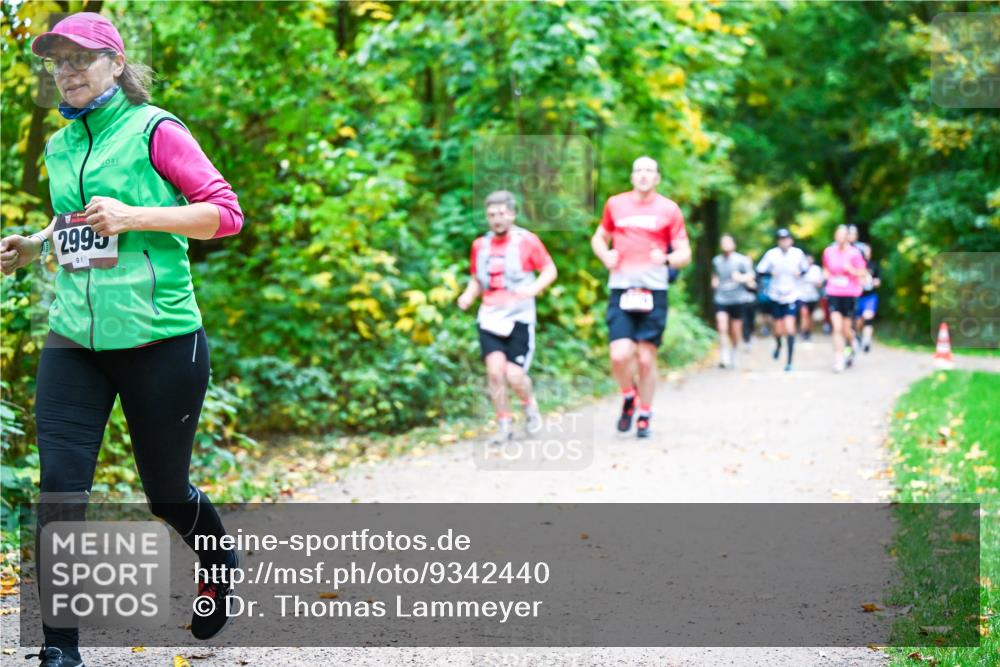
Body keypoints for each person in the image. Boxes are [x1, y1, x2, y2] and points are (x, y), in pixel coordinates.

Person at [0, 13, 244, 666]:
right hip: (75, 341)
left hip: (160, 341)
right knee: (60, 489)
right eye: (57, 60)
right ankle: (60, 649)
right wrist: (36, 244)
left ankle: (219, 562)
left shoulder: (155, 129)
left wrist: (136, 216)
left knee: (165, 492)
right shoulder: (60, 144)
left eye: (82, 58)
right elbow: (76, 214)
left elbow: (225, 213)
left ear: (116, 63)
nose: (68, 70)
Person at [590, 156, 691, 438]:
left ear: (657, 177)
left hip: (653, 290)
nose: (644, 175)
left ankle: (645, 412)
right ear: (632, 176)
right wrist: (605, 254)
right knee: (619, 354)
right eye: (638, 170)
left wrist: (667, 258)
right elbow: (599, 237)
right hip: (622, 288)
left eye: (649, 171)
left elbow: (685, 253)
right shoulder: (615, 204)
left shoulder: (669, 209)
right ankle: (628, 395)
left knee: (646, 358)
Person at [457, 190, 557, 445]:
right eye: (491, 214)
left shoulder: (527, 241)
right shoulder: (480, 245)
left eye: (501, 213)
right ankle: (504, 424)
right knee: (494, 372)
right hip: (490, 316)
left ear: (512, 214)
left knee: (514, 374)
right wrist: (468, 296)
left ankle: (529, 406)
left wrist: (534, 289)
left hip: (518, 317)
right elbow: (477, 279)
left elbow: (549, 269)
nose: (496, 219)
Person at [755, 229, 807, 372]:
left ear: (791, 240)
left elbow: (805, 269)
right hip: (775, 295)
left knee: (790, 328)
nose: (784, 241)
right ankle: (778, 344)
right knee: (778, 329)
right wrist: (770, 273)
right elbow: (759, 271)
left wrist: (800, 273)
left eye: (786, 238)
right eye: (781, 239)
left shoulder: (797, 253)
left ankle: (789, 362)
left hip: (791, 294)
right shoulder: (771, 254)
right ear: (778, 241)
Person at [822, 224, 867, 372]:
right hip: (833, 292)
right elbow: (826, 268)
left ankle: (852, 342)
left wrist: (851, 270)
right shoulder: (828, 251)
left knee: (846, 329)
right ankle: (839, 359)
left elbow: (863, 273)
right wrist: (825, 275)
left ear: (848, 236)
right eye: (838, 234)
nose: (840, 237)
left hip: (849, 293)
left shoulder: (855, 253)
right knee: (837, 327)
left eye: (843, 234)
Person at [711, 234, 755, 368]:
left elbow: (751, 275)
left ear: (734, 245)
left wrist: (740, 278)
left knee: (735, 331)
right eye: (723, 242)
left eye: (728, 242)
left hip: (737, 299)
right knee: (722, 327)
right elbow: (714, 275)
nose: (725, 245)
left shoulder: (741, 260)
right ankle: (724, 355)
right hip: (721, 298)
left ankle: (734, 352)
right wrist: (714, 281)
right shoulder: (716, 261)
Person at [854, 244, 880, 352]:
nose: (867, 253)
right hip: (857, 297)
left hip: (870, 297)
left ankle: (866, 341)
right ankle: (857, 337)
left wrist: (874, 282)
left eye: (868, 251)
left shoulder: (874, 265)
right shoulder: (856, 265)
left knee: (868, 316)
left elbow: (878, 281)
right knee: (858, 321)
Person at [796, 253, 824, 340]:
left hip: (813, 297)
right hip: (802, 296)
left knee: (810, 316)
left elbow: (820, 284)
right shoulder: (799, 268)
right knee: (804, 314)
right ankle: (803, 331)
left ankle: (808, 332)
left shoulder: (816, 269)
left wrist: (815, 283)